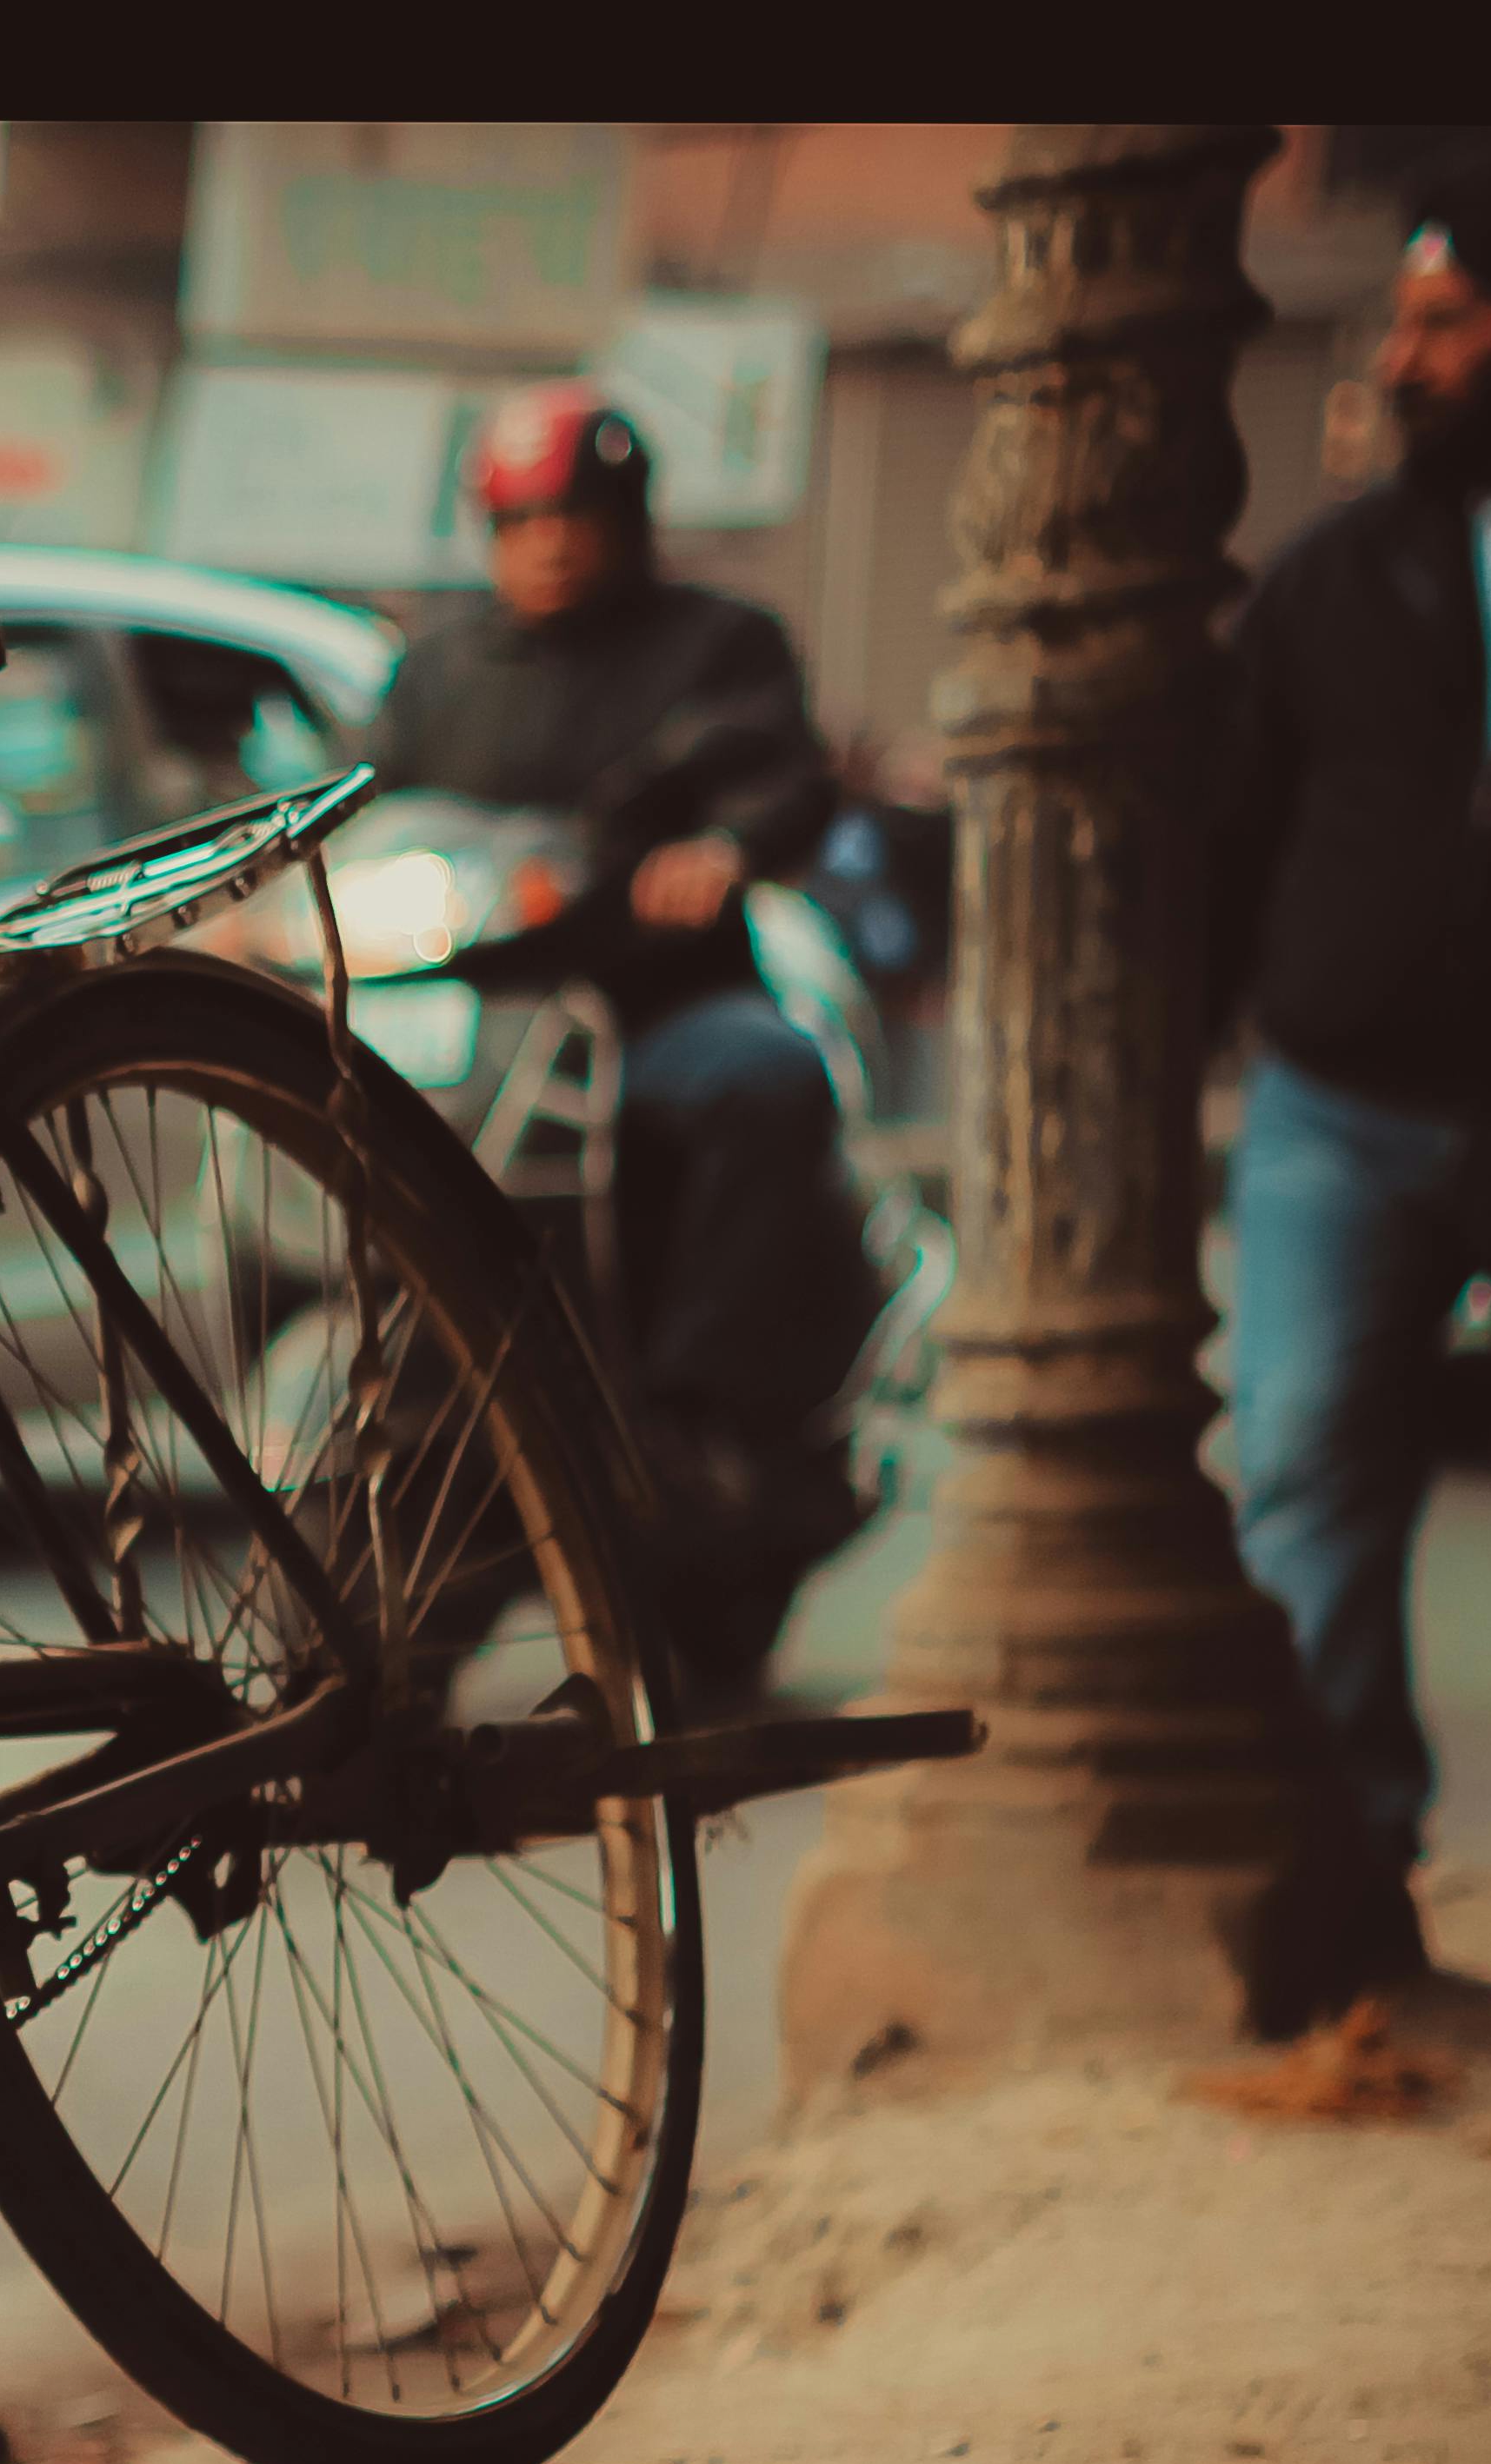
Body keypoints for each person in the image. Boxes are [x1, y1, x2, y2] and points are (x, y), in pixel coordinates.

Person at [369, 381, 882, 1690]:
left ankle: (709, 1410)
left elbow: (786, 777)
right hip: (476, 1029)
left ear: (630, 519)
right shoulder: (436, 671)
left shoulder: (718, 645)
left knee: (764, 1081)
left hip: (652, 1013)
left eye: (577, 512)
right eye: (522, 515)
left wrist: (721, 851)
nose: (550, 538)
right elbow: (362, 821)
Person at [1212, 142, 1491, 1996]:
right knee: (1308, 1481)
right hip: (1336, 1118)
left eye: (1453, 318)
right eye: (1403, 318)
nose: (1408, 356)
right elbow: (1232, 827)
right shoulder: (1340, 576)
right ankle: (1353, 1894)